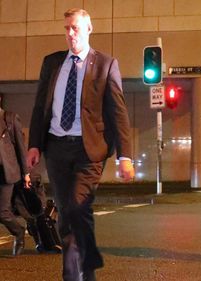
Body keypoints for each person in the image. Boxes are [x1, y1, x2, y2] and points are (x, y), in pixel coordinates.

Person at [26, 8, 135, 281]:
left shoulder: (106, 64)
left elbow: (118, 112)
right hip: (57, 148)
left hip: (90, 151)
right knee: (67, 214)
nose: (70, 33)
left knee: (76, 206)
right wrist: (34, 145)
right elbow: (41, 106)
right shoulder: (52, 63)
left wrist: (126, 157)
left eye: (75, 27)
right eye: (66, 28)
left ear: (89, 29)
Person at [0, 93, 31, 256]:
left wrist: (26, 173)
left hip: (6, 173)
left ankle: (19, 232)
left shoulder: (9, 118)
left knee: (3, 212)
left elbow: (20, 147)